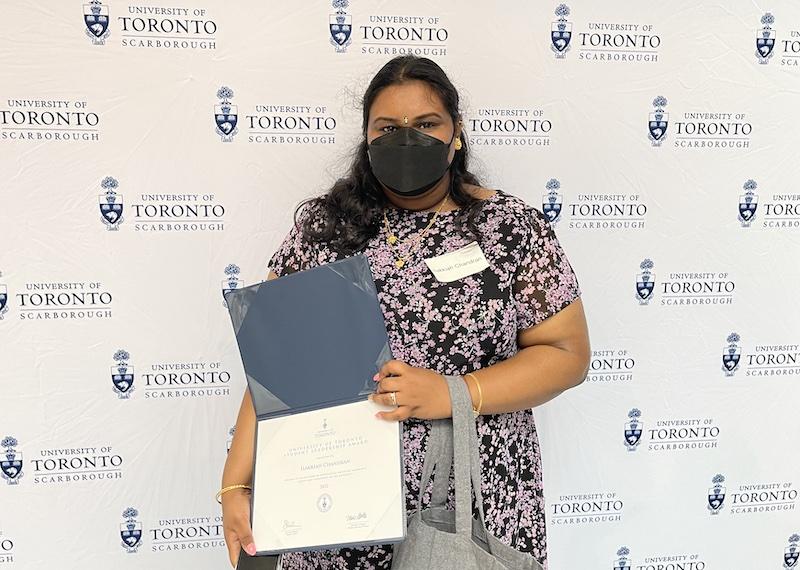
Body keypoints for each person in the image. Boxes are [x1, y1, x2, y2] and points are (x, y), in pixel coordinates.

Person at [220, 55, 590, 570]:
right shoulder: (324, 230)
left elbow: (566, 352)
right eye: (388, 128)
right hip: (331, 500)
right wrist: (236, 480)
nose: (406, 139)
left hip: (470, 499)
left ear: (456, 133)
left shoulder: (509, 228)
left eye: (426, 125)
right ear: (367, 139)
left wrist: (453, 392)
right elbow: (276, 368)